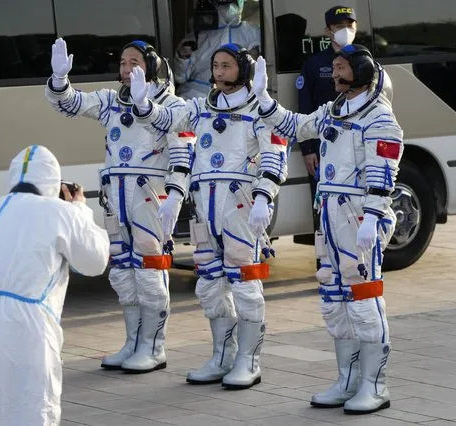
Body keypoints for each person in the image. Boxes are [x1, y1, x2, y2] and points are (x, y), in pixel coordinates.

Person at [252, 45, 402, 414]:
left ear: (362, 72)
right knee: (335, 299)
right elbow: (294, 126)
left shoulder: (379, 118)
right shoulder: (332, 112)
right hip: (331, 214)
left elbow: (383, 172)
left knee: (364, 299)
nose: (334, 75)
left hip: (358, 215)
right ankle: (346, 379)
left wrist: (372, 217)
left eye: (341, 69)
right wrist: (263, 100)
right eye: (333, 68)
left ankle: (374, 385)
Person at [131, 43, 288, 389]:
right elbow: (167, 120)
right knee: (210, 285)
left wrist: (264, 197)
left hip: (241, 208)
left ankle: (249, 360)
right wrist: (144, 104)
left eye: (227, 66)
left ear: (243, 70)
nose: (218, 72)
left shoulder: (261, 110)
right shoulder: (200, 108)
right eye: (215, 65)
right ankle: (222, 355)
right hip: (206, 211)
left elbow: (275, 154)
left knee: (245, 285)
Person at [45, 38, 195, 373]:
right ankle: (132, 342)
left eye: (134, 63)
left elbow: (183, 155)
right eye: (123, 63)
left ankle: (153, 347)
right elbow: (70, 104)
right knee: (124, 272)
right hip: (117, 197)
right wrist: (59, 81)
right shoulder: (112, 101)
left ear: (152, 67)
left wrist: (175, 195)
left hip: (149, 197)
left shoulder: (171, 105)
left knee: (149, 271)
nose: (126, 70)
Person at [0, 145, 110, 426]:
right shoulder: (59, 211)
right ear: (54, 182)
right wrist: (81, 211)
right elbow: (95, 260)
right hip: (21, 337)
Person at [296, 6, 357, 244]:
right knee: (324, 207)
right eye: (339, 26)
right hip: (324, 148)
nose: (345, 31)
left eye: (349, 25)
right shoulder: (314, 64)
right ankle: (326, 264)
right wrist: (308, 150)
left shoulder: (366, 61)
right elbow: (305, 109)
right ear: (327, 31)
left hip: (355, 144)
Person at [173, 0, 260, 99]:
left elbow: (261, 71)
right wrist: (183, 57)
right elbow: (180, 77)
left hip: (236, 100)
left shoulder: (253, 33)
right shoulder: (195, 38)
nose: (225, 5)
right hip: (197, 98)